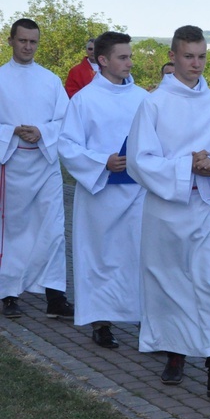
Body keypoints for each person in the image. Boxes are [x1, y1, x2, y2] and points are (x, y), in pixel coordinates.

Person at [126, 25, 210, 396]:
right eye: (189, 56)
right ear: (173, 57)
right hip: (164, 209)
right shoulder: (153, 103)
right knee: (167, 283)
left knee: (208, 284)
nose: (196, 64)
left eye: (202, 56)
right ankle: (175, 354)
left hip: (204, 205)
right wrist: (184, 166)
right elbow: (139, 160)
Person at [58, 31, 147, 348]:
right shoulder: (84, 100)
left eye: (130, 56)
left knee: (136, 256)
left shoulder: (142, 98)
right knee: (99, 258)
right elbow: (67, 145)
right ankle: (101, 322)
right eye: (122, 57)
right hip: (99, 194)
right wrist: (101, 161)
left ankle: (144, 319)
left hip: (137, 193)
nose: (129, 62)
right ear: (103, 60)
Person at [0, 18, 74, 320]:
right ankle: (8, 294)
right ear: (11, 41)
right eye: (23, 41)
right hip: (13, 163)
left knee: (54, 229)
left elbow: (66, 120)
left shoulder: (50, 80)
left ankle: (55, 296)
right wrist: (13, 131)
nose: (28, 47)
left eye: (33, 42)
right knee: (14, 232)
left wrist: (42, 131)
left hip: (45, 164)